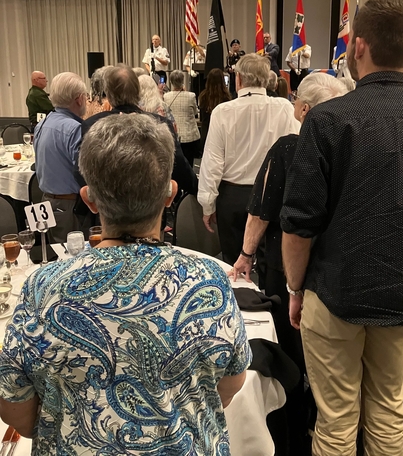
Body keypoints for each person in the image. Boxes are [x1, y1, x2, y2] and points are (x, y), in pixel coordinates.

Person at [0, 114, 251, 453]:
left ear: (88, 199)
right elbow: (232, 382)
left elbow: (16, 408)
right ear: (170, 194)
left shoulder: (42, 289)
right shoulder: (208, 280)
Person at [281, 0, 403, 456]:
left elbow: (298, 224)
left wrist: (295, 288)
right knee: (387, 412)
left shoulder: (329, 119)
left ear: (357, 46)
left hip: (336, 291)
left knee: (336, 421)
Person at [231, 73, 348, 456]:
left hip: (290, 272)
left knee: (294, 355)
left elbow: (261, 210)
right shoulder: (357, 147)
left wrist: (246, 255)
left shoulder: (288, 148)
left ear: (303, 110)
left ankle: (294, 433)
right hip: (339, 272)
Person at [198, 54, 299, 266]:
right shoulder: (285, 108)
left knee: (232, 265)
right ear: (266, 79)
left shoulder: (222, 112)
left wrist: (207, 205)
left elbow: (212, 164)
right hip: (272, 194)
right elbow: (295, 154)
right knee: (270, 264)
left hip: (232, 196)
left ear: (239, 79)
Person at [81, 64, 198, 196]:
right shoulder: (161, 124)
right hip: (150, 204)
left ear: (108, 93)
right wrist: (197, 189)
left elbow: (83, 172)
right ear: (137, 92)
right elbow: (179, 167)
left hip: (107, 205)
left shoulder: (90, 125)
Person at [34, 72, 87, 243]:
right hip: (69, 206)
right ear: (79, 99)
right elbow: (83, 172)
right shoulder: (75, 129)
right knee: (73, 261)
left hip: (45, 201)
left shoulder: (42, 124)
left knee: (50, 255)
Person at [164, 70, 201, 167]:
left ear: (171, 82)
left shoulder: (166, 96)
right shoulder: (191, 95)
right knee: (189, 164)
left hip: (173, 136)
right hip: (189, 136)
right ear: (183, 80)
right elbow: (195, 112)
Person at [198, 68, 231, 143]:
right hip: (221, 133)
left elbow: (202, 117)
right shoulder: (226, 97)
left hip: (206, 132)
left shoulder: (203, 96)